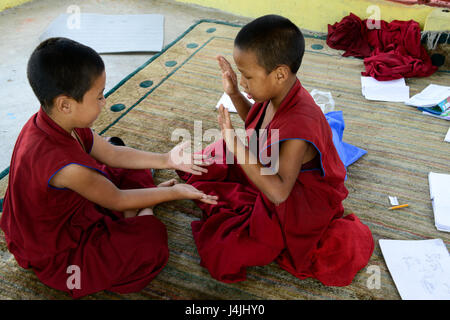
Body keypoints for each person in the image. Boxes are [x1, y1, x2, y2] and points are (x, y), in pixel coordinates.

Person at [0, 37, 217, 298]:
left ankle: (134, 213)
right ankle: (141, 212)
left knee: (129, 165)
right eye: (99, 96)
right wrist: (176, 193)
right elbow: (117, 199)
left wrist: (166, 159)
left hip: (80, 204)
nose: (105, 101)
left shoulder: (55, 120)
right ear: (65, 104)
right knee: (150, 241)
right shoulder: (67, 167)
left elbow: (112, 153)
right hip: (59, 253)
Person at [178, 15, 374, 286]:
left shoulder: (298, 125)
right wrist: (235, 93)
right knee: (214, 155)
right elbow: (258, 127)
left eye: (247, 76)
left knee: (226, 250)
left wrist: (236, 144)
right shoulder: (278, 94)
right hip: (273, 167)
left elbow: (280, 192)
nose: (244, 82)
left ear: (280, 73)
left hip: (295, 199)